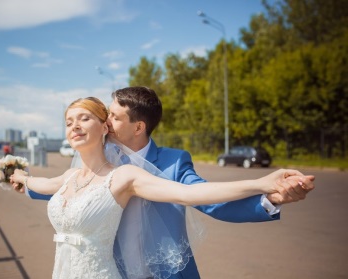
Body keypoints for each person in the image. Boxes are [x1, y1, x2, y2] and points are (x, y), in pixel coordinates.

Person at [22, 87, 314, 278]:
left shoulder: (174, 161)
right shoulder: (99, 161)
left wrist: (269, 195)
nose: (107, 121)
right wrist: (25, 183)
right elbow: (78, 195)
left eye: (114, 116)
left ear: (139, 126)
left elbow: (205, 198)